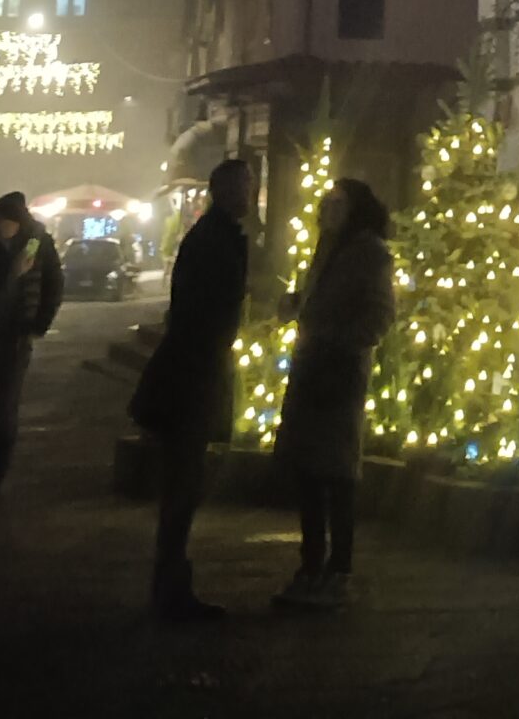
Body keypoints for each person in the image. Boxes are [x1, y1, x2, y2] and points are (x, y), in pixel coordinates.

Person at [129, 157, 252, 621]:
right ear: (226, 191)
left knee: (184, 486)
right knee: (183, 485)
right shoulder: (214, 241)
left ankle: (172, 586)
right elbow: (202, 313)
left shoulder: (215, 236)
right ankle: (171, 592)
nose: (251, 194)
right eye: (245, 185)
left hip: (195, 370)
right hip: (192, 376)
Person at [273, 176, 394, 612]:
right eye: (326, 203)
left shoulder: (370, 253)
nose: (328, 210)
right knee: (308, 471)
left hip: (338, 373)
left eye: (337, 203)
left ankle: (338, 570)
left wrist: (340, 342)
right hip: (312, 367)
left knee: (336, 474)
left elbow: (379, 316)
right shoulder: (326, 248)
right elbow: (317, 300)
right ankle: (310, 565)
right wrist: (296, 306)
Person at [0, 189, 63, 501]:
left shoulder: (38, 242)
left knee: (5, 419)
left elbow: (54, 285)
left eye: (2, 221)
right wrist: (10, 273)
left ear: (17, 223)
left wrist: (39, 324)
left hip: (14, 343)